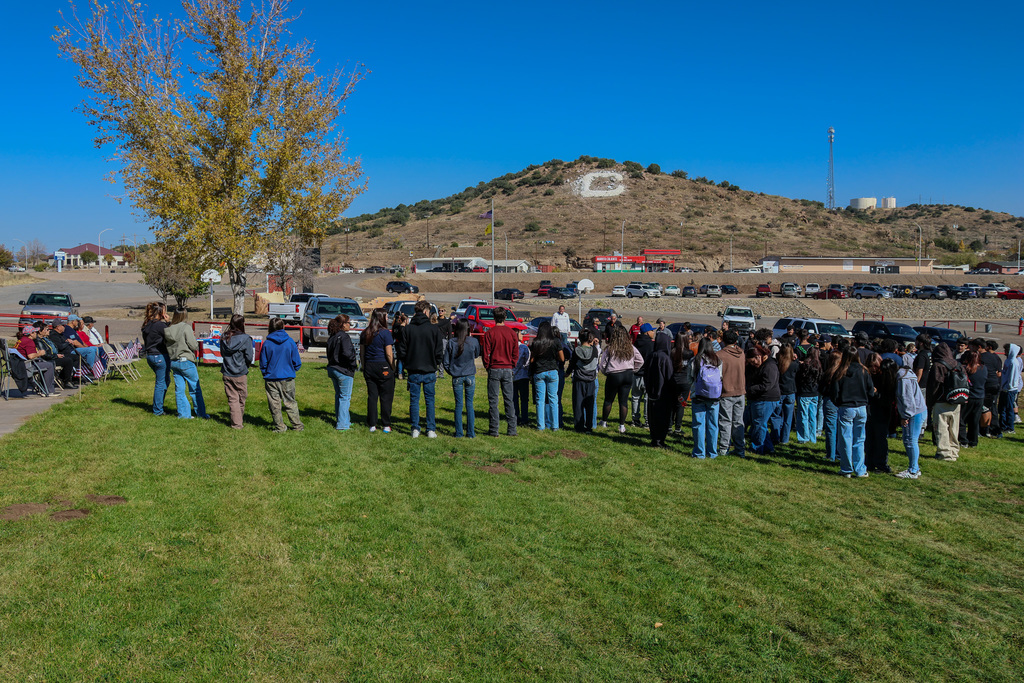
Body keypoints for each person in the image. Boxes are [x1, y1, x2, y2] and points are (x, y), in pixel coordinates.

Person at [826, 349, 874, 478]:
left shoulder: (840, 372)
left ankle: (847, 468)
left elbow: (834, 392)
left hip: (846, 407)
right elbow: (871, 391)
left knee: (845, 439)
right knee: (859, 439)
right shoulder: (864, 371)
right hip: (861, 407)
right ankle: (859, 469)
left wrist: (839, 403)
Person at [400, 300, 444, 438]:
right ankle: (430, 428)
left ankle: (415, 428)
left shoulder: (408, 329)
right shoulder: (434, 329)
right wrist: (436, 363)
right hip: (429, 369)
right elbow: (439, 351)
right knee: (430, 401)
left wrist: (407, 363)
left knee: (414, 400)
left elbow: (402, 351)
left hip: (413, 369)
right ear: (426, 312)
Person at [259, 317, 303, 432]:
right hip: (287, 377)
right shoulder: (290, 342)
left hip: (271, 378)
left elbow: (263, 363)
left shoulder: (267, 343)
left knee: (274, 404)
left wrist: (266, 373)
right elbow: (297, 362)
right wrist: (291, 370)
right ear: (283, 327)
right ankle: (297, 426)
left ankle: (280, 426)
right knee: (290, 402)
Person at [164, 309, 210, 420]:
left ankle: (184, 415)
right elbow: (194, 345)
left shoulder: (168, 330)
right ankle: (201, 413)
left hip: (174, 362)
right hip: (186, 361)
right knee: (195, 389)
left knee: (179, 390)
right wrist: (193, 337)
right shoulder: (186, 327)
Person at [482, 307, 519, 436]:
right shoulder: (512, 333)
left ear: (494, 318)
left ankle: (494, 429)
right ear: (505, 317)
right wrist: (512, 364)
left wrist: (488, 366)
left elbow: (485, 353)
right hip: (507, 368)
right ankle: (512, 429)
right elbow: (516, 353)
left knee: (493, 401)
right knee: (509, 400)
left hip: (495, 368)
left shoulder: (490, 333)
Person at [599, 325, 644, 433]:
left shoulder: (610, 348)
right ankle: (622, 425)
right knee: (623, 401)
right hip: (628, 374)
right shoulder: (631, 347)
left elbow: (602, 364)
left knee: (609, 400)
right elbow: (640, 361)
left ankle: (604, 422)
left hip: (614, 374)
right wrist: (633, 369)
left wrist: (606, 372)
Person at [444, 318, 481, 438]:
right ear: (468, 329)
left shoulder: (451, 342)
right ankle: (471, 432)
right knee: (469, 404)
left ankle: (459, 432)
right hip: (469, 375)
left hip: (457, 376)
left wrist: (452, 372)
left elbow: (445, 362)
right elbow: (476, 354)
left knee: (459, 404)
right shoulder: (473, 341)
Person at [361, 308, 396, 433]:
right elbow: (389, 354)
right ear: (381, 318)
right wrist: (393, 367)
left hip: (369, 366)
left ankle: (372, 424)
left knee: (372, 396)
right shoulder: (385, 333)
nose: (387, 319)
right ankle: (386, 424)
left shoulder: (365, 332)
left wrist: (364, 367)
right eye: (386, 317)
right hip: (383, 366)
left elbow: (362, 353)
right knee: (386, 397)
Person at [894, 355, 928, 479]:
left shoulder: (903, 378)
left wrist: (905, 416)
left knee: (911, 441)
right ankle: (914, 468)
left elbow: (908, 399)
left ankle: (913, 470)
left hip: (914, 412)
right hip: (916, 411)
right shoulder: (906, 374)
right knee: (908, 440)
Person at [927, 342, 961, 461]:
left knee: (941, 428)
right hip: (957, 399)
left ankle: (944, 453)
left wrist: (930, 402)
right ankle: (954, 451)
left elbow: (934, 385)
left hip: (941, 400)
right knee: (954, 428)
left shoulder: (937, 365)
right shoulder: (957, 363)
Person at [220, 314, 254, 429]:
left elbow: (222, 354)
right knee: (240, 398)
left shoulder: (224, 337)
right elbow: (249, 357)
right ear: (242, 324)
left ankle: (237, 421)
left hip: (227, 371)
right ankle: (237, 424)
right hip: (239, 373)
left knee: (233, 399)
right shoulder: (246, 339)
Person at [529, 321, 565, 430]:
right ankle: (555, 425)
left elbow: (532, 360)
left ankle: (541, 426)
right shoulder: (556, 341)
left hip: (539, 371)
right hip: (553, 370)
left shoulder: (536, 342)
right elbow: (562, 358)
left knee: (540, 400)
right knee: (553, 399)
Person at [690, 337, 722, 458]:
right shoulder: (718, 360)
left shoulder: (695, 360)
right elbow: (720, 376)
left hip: (698, 395)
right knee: (713, 424)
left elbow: (690, 377)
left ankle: (699, 452)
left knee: (699, 424)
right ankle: (712, 452)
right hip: (714, 396)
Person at [746, 343, 781, 455]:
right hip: (760, 398)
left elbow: (767, 385)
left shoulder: (770, 366)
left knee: (759, 424)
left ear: (759, 357)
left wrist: (751, 389)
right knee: (762, 424)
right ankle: (768, 447)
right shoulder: (763, 365)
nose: (752, 364)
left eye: (753, 361)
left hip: (766, 399)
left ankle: (756, 447)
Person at [865, 354, 897, 473]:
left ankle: (880, 462)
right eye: (870, 366)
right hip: (871, 410)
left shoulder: (884, 376)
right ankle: (869, 462)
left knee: (880, 438)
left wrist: (876, 393)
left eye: (875, 366)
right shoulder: (868, 376)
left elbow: (887, 398)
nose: (873, 369)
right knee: (869, 438)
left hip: (881, 411)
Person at [717, 330, 746, 457]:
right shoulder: (741, 353)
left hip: (727, 391)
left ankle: (724, 448)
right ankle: (740, 449)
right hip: (740, 391)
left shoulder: (720, 355)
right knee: (738, 422)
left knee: (725, 421)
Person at [326, 314, 357, 431]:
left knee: (339, 396)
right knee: (345, 397)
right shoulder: (344, 337)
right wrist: (353, 364)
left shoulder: (332, 336)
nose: (350, 325)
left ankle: (345, 420)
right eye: (349, 323)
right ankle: (342, 424)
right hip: (343, 370)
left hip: (333, 369)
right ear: (343, 324)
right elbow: (347, 354)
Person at [644, 333, 675, 448]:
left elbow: (645, 372)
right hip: (663, 393)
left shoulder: (651, 356)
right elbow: (669, 376)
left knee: (653, 417)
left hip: (651, 391)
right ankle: (659, 440)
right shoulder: (665, 358)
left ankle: (654, 438)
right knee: (663, 417)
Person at [141, 302, 171, 414]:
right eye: (164, 310)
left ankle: (158, 405)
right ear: (160, 312)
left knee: (165, 380)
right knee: (161, 382)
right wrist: (168, 323)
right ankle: (158, 409)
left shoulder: (146, 324)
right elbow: (171, 336)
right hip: (160, 355)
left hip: (150, 355)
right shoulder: (160, 325)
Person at [569, 329, 599, 432]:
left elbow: (572, 364)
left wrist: (567, 373)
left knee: (578, 403)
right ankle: (589, 426)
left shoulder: (577, 351)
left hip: (579, 379)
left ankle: (579, 425)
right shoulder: (594, 350)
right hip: (591, 379)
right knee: (589, 404)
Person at [14, 326, 57, 395]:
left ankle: (42, 387)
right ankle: (49, 390)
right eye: (35, 332)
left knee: (44, 363)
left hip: (18, 364)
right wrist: (40, 353)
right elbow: (30, 356)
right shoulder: (29, 342)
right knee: (49, 365)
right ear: (31, 334)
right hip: (26, 366)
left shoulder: (21, 340)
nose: (36, 334)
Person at [958, 350, 986, 449]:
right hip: (980, 397)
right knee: (974, 420)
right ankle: (973, 441)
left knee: (962, 419)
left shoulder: (965, 369)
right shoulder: (984, 369)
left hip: (968, 397)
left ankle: (963, 440)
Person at [794, 347, 822, 443]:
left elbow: (799, 377)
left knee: (803, 415)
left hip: (804, 392)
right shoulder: (818, 365)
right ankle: (812, 437)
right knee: (812, 416)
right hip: (814, 392)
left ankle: (804, 437)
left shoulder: (804, 365)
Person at [631, 323, 656, 427]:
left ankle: (635, 419)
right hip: (647, 375)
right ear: (647, 332)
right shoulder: (651, 345)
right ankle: (647, 420)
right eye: (651, 331)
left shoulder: (635, 343)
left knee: (635, 397)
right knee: (647, 398)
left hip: (636, 374)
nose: (653, 332)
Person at [670, 332, 694, 436]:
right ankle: (678, 427)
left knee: (672, 403)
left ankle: (669, 426)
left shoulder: (673, 352)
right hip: (685, 381)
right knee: (681, 404)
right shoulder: (689, 353)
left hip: (674, 380)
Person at [776, 344, 799, 445]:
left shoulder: (778, 363)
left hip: (780, 391)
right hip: (790, 392)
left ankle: (776, 436)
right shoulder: (794, 364)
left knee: (778, 416)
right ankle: (784, 439)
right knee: (788, 418)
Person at [979, 339, 1002, 437]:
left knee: (986, 408)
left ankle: (990, 429)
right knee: (992, 407)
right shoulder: (996, 358)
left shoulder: (987, 357)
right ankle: (992, 428)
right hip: (995, 385)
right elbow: (999, 373)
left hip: (988, 385)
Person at [999, 343, 1022, 436]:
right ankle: (1003, 426)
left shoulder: (1014, 362)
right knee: (1002, 408)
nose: (1005, 352)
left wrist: (1008, 386)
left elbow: (1012, 377)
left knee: (1009, 408)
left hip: (1010, 389)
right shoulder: (1008, 361)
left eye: (1007, 350)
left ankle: (1010, 427)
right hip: (1004, 388)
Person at [513, 330, 532, 428]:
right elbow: (527, 361)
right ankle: (524, 418)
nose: (522, 335)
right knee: (524, 399)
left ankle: (515, 417)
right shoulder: (524, 348)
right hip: (523, 376)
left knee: (514, 399)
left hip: (513, 377)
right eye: (520, 333)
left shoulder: (510, 347)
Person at [391, 313, 408, 379]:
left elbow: (394, 335)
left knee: (399, 359)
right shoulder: (403, 329)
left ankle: (399, 372)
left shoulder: (396, 326)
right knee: (401, 359)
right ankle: (400, 373)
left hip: (398, 343)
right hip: (402, 345)